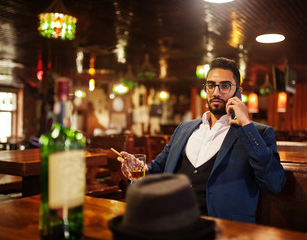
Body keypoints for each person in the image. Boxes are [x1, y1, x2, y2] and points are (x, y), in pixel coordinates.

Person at [118, 57, 286, 224]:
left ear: (238, 91)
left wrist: (246, 125)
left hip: (224, 229)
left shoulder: (257, 133)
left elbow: (274, 184)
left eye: (225, 86)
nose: (216, 92)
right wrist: (138, 169)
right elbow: (157, 169)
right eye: (211, 85)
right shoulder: (184, 128)